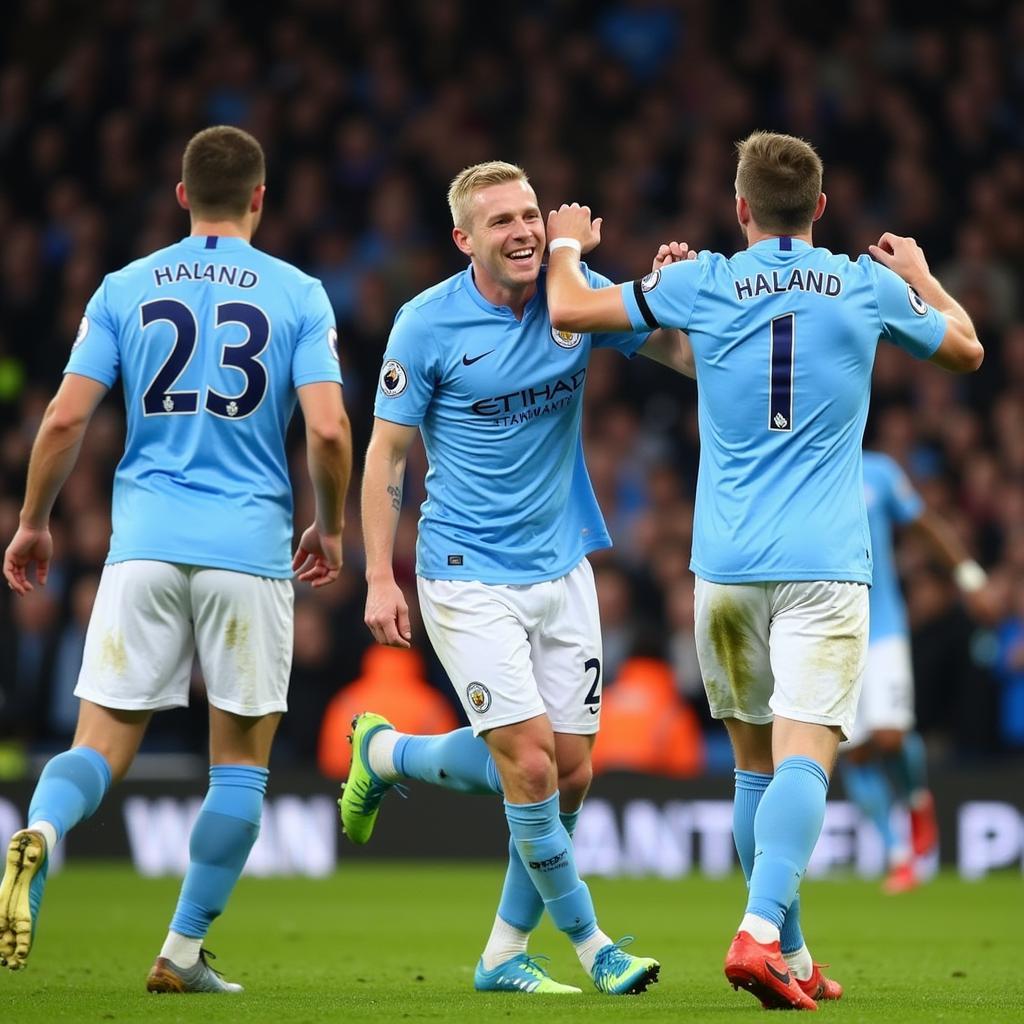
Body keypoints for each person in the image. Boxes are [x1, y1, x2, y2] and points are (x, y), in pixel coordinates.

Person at [544, 130, 983, 1010]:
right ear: (819, 209)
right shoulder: (866, 285)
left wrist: (566, 245)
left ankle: (792, 946)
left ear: (740, 207)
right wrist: (924, 277)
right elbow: (968, 350)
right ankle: (756, 931)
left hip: (725, 566)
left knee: (752, 766)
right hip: (823, 564)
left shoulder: (701, 280)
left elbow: (573, 313)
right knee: (805, 758)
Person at [0, 126, 351, 991]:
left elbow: (61, 420)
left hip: (143, 549)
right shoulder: (298, 294)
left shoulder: (125, 286)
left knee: (101, 744)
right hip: (248, 551)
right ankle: (181, 952)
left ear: (181, 193)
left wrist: (35, 520)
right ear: (261, 199)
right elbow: (333, 429)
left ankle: (42, 832)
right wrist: (331, 526)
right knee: (239, 763)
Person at [343, 160, 694, 996]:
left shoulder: (572, 297)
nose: (526, 230)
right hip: (465, 572)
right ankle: (595, 946)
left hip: (562, 563)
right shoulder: (426, 324)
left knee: (569, 770)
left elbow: (681, 359)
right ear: (465, 240)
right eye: (501, 220)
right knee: (530, 768)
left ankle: (393, 762)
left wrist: (678, 297)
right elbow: (387, 453)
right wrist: (379, 579)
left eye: (532, 214)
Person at [842, 450, 990, 893]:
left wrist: (968, 576)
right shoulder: (799, 464)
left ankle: (916, 802)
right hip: (827, 629)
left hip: (883, 624)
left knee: (888, 736)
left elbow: (923, 523)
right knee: (853, 752)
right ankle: (898, 854)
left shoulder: (879, 471)